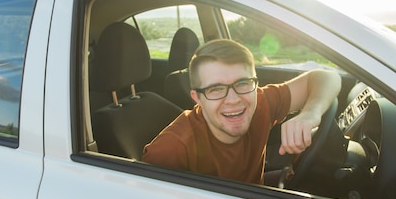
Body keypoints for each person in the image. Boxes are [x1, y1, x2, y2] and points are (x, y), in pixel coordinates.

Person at [142, 39, 342, 185]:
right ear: (197, 98)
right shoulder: (171, 149)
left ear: (256, 83)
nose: (234, 100)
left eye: (243, 83)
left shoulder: (261, 103)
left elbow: (328, 77)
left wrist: (310, 114)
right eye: (216, 89)